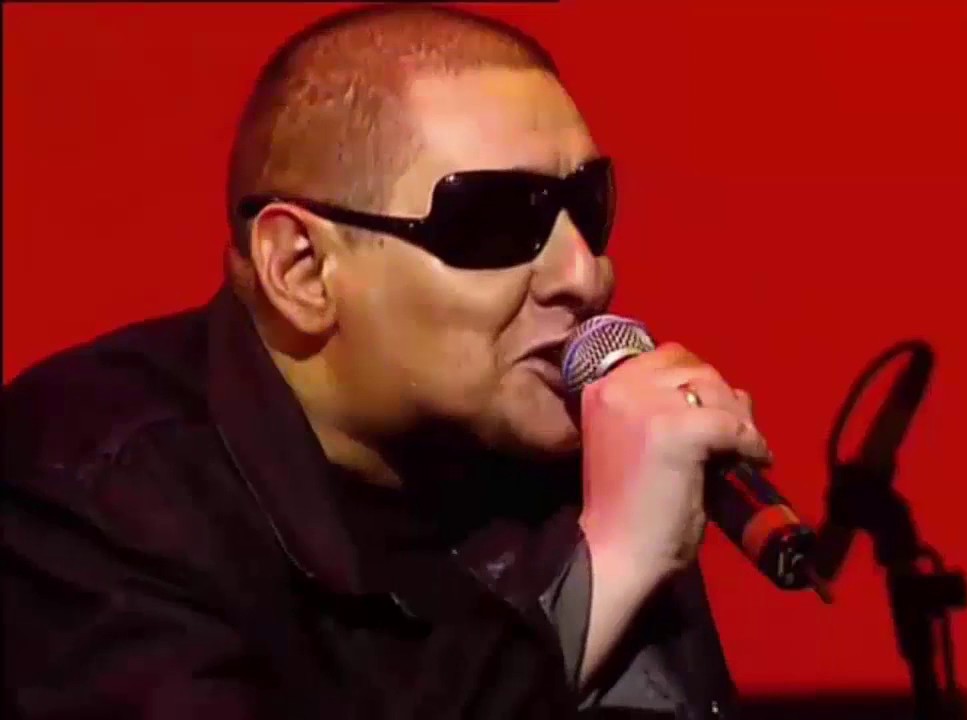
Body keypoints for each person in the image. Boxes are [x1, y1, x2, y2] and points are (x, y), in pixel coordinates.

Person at [2, 4, 772, 719]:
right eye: (498, 221)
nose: (584, 272)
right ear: (302, 270)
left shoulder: (583, 468)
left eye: (589, 206)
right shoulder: (88, 490)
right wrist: (605, 569)